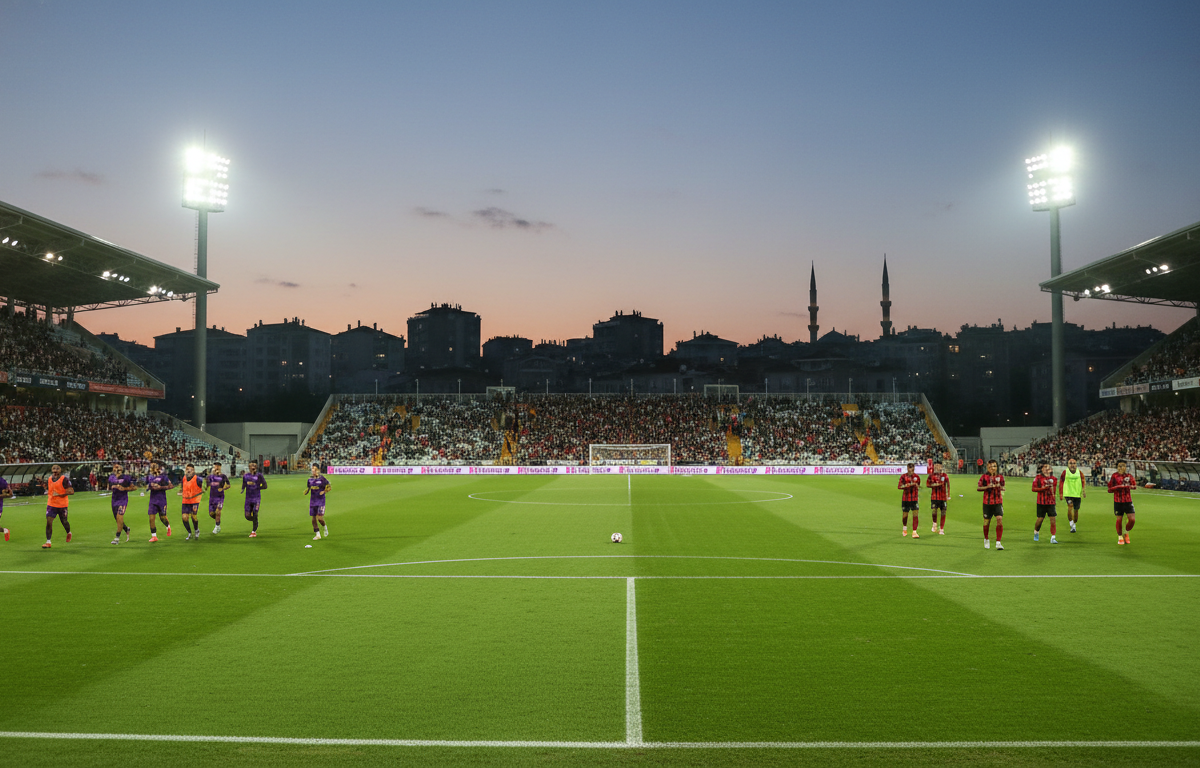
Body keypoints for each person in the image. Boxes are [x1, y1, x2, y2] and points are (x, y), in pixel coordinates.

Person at [43, 464, 74, 549]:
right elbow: (50, 489)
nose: (55, 470)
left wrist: (60, 494)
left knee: (64, 521)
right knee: (49, 522)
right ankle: (48, 542)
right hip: (51, 504)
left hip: (62, 505)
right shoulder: (49, 479)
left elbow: (71, 491)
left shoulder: (64, 479)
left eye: (57, 468)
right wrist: (44, 486)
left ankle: (68, 532)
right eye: (54, 468)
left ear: (60, 470)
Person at [977, 459, 1005, 550]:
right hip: (987, 503)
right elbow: (978, 488)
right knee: (986, 522)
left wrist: (1000, 487)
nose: (992, 468)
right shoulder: (984, 477)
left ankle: (998, 542)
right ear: (987, 468)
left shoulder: (1000, 477)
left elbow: (1003, 487)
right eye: (990, 467)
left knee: (999, 519)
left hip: (998, 502)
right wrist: (987, 487)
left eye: (994, 466)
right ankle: (986, 539)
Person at [1108, 459, 1136, 545]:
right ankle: (1120, 536)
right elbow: (1109, 489)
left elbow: (1134, 486)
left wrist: (1130, 486)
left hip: (1128, 501)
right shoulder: (1114, 476)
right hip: (1118, 501)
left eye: (1123, 466)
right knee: (1119, 520)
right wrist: (1118, 487)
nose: (1122, 468)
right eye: (1120, 466)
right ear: (1117, 467)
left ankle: (1126, 532)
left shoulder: (1129, 476)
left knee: (1132, 520)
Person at [145, 461, 175, 543]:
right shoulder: (149, 477)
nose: (152, 469)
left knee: (162, 517)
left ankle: (168, 526)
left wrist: (160, 487)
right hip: (153, 500)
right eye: (151, 467)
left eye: (154, 467)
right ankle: (154, 536)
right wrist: (149, 487)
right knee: (151, 518)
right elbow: (146, 486)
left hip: (161, 499)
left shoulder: (163, 477)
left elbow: (171, 486)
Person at [108, 463, 136, 545]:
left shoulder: (126, 477)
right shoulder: (111, 477)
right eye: (115, 466)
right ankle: (126, 529)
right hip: (114, 500)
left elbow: (134, 487)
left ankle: (117, 538)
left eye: (118, 466)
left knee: (120, 517)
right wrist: (113, 487)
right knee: (117, 520)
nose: (116, 468)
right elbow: (110, 485)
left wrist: (124, 488)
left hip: (122, 500)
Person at [1032, 462, 1059, 544]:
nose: (1047, 469)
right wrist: (1043, 489)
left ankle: (1053, 537)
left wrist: (1054, 498)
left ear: (1051, 470)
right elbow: (1033, 489)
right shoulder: (1038, 478)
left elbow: (1054, 490)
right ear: (1042, 469)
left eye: (1048, 468)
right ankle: (1036, 532)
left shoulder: (1054, 479)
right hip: (1041, 502)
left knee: (1053, 520)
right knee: (1040, 519)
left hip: (1050, 502)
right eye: (1045, 468)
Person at [303, 462, 331, 540]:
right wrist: (307, 491)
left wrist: (324, 491)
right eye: (312, 469)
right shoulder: (310, 479)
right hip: (313, 501)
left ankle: (325, 527)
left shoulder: (322, 479)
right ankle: (317, 534)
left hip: (321, 501)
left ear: (318, 470)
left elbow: (329, 487)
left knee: (320, 518)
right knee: (313, 518)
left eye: (315, 469)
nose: (313, 471)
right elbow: (309, 487)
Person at [241, 460, 267, 538]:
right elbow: (244, 484)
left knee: (255, 513)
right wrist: (242, 489)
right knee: (247, 516)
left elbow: (265, 486)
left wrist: (257, 487)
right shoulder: (246, 476)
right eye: (251, 466)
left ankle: (253, 531)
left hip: (256, 498)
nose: (253, 467)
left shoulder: (259, 476)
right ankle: (255, 521)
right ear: (249, 467)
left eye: (254, 466)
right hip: (248, 499)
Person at [179, 463, 205, 541]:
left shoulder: (198, 479)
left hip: (194, 501)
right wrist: (181, 491)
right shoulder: (184, 478)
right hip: (185, 500)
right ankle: (189, 532)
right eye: (186, 469)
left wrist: (202, 490)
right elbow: (183, 487)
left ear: (193, 470)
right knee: (184, 518)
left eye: (189, 469)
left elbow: (203, 487)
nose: (187, 471)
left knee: (193, 516)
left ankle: (196, 530)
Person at [1060, 458, 1086, 533]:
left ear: (1076, 464)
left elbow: (1083, 480)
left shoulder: (1079, 472)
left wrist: (1083, 490)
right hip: (1068, 493)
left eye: (1074, 463)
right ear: (1068, 465)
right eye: (1070, 463)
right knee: (1070, 507)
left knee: (1076, 510)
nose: (1072, 465)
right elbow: (1061, 482)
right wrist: (1061, 493)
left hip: (1077, 494)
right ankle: (1071, 523)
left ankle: (1074, 524)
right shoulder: (1065, 472)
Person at [898, 462, 921, 538]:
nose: (911, 469)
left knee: (915, 514)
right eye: (909, 468)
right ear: (907, 468)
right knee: (905, 515)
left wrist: (917, 486)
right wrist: (906, 485)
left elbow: (918, 486)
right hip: (906, 498)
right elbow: (899, 486)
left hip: (914, 498)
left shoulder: (917, 477)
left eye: (912, 468)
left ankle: (914, 532)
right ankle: (904, 528)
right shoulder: (903, 476)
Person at [927, 460, 950, 534]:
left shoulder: (945, 475)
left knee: (943, 512)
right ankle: (934, 523)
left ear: (941, 467)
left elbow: (948, 485)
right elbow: (928, 484)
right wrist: (934, 485)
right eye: (935, 465)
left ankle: (941, 529)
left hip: (943, 497)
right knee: (934, 510)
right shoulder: (931, 476)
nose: (937, 467)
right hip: (934, 496)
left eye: (938, 466)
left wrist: (948, 495)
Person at [208, 461, 231, 533]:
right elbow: (207, 484)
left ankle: (217, 526)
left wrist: (223, 488)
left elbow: (228, 485)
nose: (217, 467)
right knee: (211, 514)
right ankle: (218, 521)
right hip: (212, 497)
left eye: (218, 466)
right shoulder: (210, 477)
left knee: (218, 511)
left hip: (220, 497)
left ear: (220, 467)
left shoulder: (223, 476)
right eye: (215, 466)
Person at [0, 474, 12, 541]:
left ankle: (5, 530)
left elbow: (10, 494)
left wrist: (7, 494)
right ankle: (5, 531)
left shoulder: (2, 481)